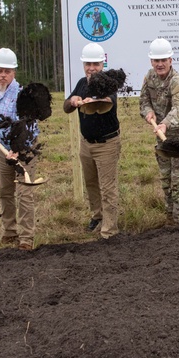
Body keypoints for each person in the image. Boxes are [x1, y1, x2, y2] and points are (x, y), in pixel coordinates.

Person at [0, 47, 39, 250]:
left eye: (7, 71)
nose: (3, 75)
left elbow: (31, 127)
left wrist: (18, 149)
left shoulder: (23, 95)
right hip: (3, 150)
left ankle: (26, 237)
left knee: (24, 193)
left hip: (24, 152)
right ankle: (9, 231)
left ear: (14, 72)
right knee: (5, 192)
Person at [64, 43, 121, 239]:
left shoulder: (108, 83)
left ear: (102, 64)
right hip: (86, 143)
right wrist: (73, 101)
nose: (91, 68)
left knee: (108, 187)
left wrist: (92, 101)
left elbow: (109, 101)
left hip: (107, 144)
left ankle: (109, 230)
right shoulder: (81, 83)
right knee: (91, 183)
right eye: (88, 64)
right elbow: (66, 107)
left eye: (95, 64)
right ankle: (97, 216)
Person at [140, 37, 179, 225]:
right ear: (151, 61)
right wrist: (148, 113)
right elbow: (144, 101)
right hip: (162, 137)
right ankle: (170, 220)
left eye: (163, 60)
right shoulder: (149, 77)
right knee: (166, 179)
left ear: (170, 60)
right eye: (156, 60)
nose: (160, 64)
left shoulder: (177, 81)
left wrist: (164, 123)